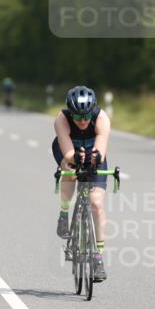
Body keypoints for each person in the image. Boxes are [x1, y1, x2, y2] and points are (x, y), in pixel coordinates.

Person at [52, 85, 112, 281]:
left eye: (86, 116)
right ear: (70, 113)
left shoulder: (102, 118)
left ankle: (98, 259)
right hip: (68, 150)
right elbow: (68, 153)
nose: (83, 121)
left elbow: (101, 150)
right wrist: (75, 159)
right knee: (70, 172)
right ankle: (63, 214)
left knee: (96, 203)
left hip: (93, 152)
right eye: (77, 117)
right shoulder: (61, 120)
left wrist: (94, 158)